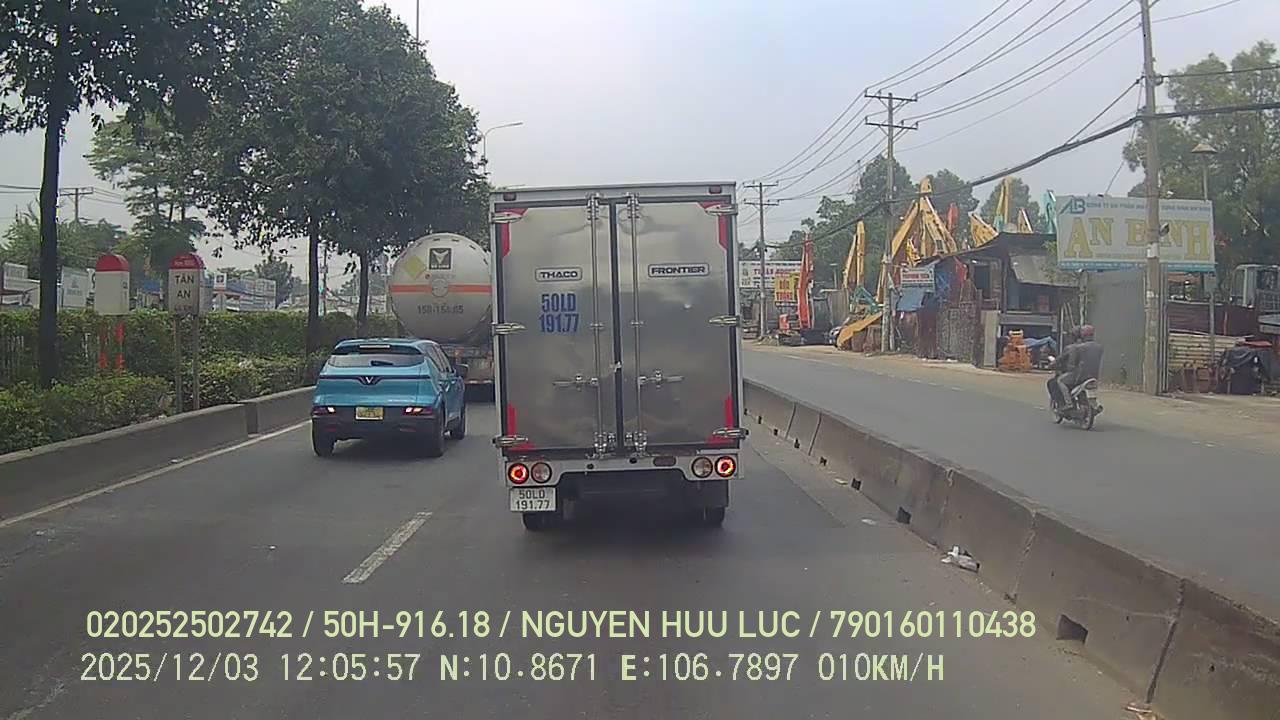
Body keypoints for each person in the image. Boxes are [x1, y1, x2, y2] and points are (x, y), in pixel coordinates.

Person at [1056, 324, 1104, 408]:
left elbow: (1072, 365)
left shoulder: (1079, 348)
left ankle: (1068, 403)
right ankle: (1093, 405)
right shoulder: (1099, 347)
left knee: (1060, 381)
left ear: (1082, 335)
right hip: (1094, 376)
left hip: (1080, 376)